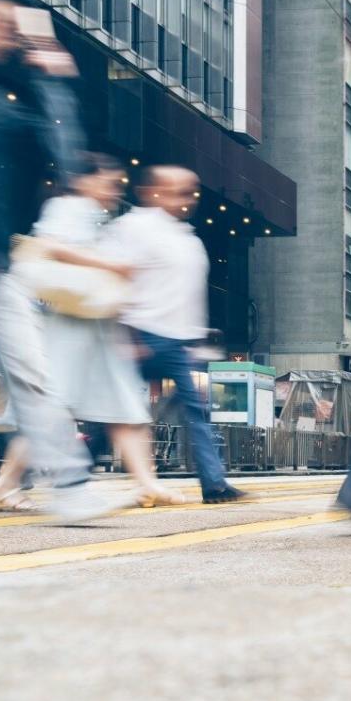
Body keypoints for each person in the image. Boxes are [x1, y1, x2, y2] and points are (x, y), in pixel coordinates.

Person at [0, 0, 113, 521]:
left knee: (33, 375)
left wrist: (47, 71)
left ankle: (70, 484)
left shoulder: (4, 98)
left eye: (7, 30)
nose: (3, 38)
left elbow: (65, 159)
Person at [0, 155, 185, 508]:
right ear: (85, 181)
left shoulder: (96, 216)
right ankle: (4, 485)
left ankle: (148, 483)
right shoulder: (67, 206)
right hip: (69, 327)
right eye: (110, 182)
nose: (114, 190)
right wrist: (111, 264)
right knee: (57, 407)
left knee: (125, 408)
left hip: (94, 328)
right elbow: (51, 246)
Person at [108, 166, 247, 505]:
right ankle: (71, 470)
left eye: (190, 192)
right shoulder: (132, 227)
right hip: (140, 334)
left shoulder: (188, 238)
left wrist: (198, 338)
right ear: (152, 191)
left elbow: (189, 295)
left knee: (196, 412)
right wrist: (124, 334)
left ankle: (214, 485)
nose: (187, 200)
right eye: (178, 191)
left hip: (179, 343)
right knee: (116, 409)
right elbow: (117, 280)